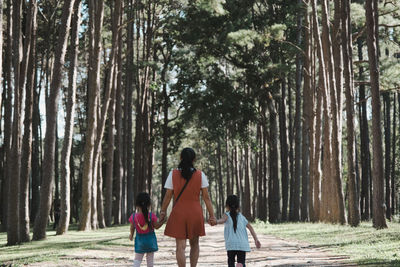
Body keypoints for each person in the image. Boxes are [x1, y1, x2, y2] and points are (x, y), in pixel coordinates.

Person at [159, 147, 216, 267]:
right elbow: (206, 198)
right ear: (194, 159)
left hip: (179, 212)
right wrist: (212, 215)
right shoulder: (200, 175)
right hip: (195, 213)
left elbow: (168, 196)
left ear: (180, 158)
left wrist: (163, 211)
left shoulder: (173, 174)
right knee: (194, 244)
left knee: (180, 247)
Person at [216, 195, 261, 267]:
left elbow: (222, 220)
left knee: (231, 263)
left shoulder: (226, 215)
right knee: (241, 263)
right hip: (242, 245)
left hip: (231, 244)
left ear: (227, 205)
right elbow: (250, 228)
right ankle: (240, 265)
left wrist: (215, 221)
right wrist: (256, 239)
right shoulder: (242, 217)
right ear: (238, 206)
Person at [129, 192, 165, 267]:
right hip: (150, 242)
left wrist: (131, 235)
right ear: (149, 205)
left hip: (140, 242)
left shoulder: (133, 217)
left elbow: (132, 228)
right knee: (150, 260)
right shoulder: (151, 216)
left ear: (136, 205)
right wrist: (162, 221)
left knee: (137, 259)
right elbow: (157, 226)